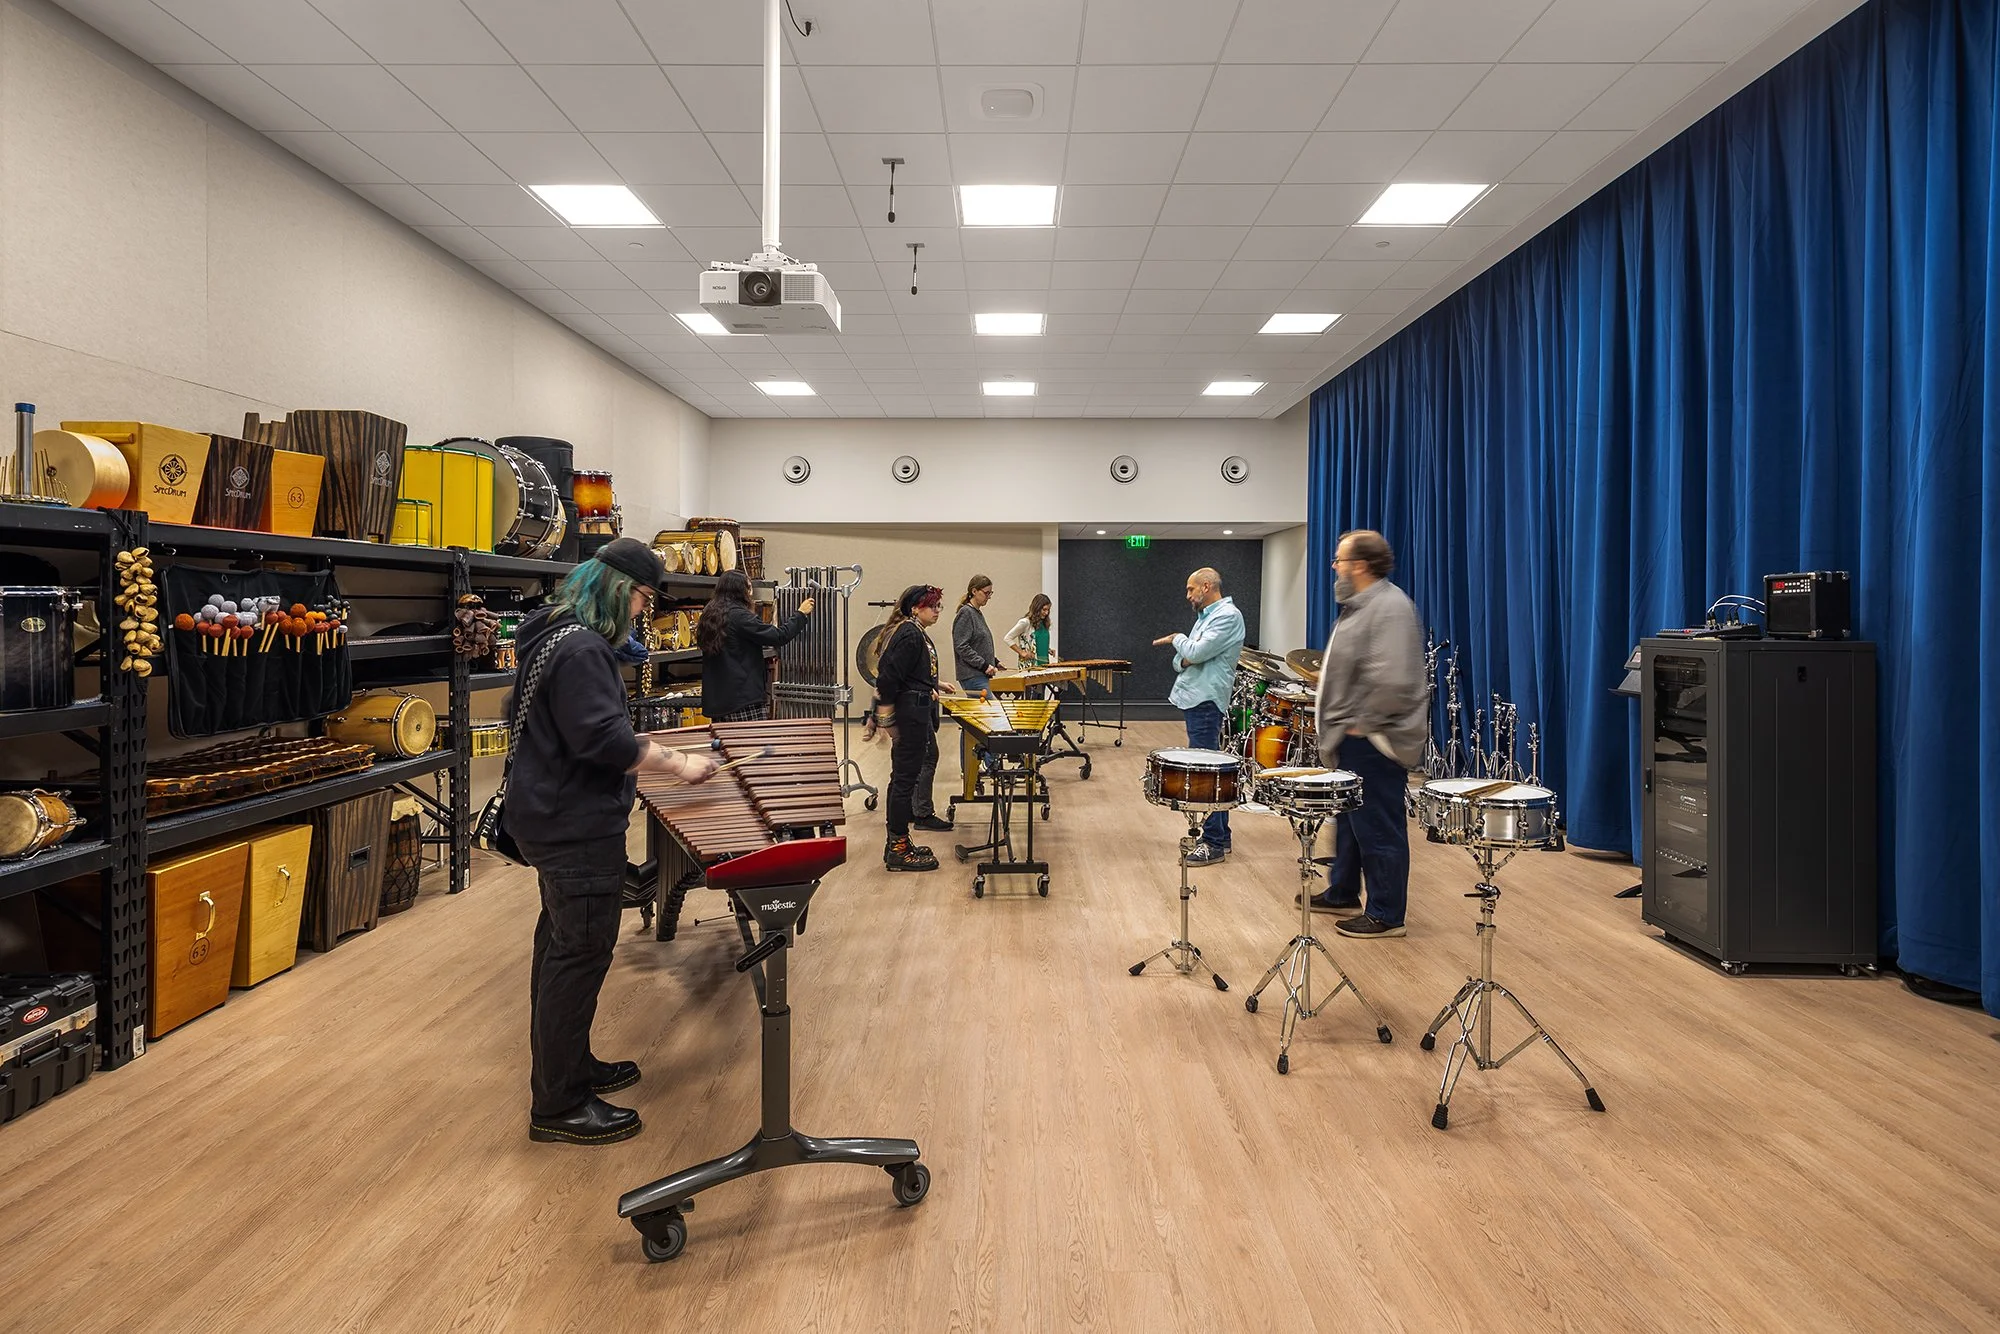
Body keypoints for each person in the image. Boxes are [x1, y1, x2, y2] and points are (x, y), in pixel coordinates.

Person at [506, 537, 719, 1145]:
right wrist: (677, 764)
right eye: (643, 601)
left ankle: (569, 1068)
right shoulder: (581, 650)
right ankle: (559, 1105)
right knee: (580, 952)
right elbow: (601, 739)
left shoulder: (550, 632)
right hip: (573, 823)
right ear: (623, 589)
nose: (641, 615)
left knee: (560, 945)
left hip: (550, 814)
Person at [1307, 530, 1427, 939]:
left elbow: (1392, 678)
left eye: (1339, 560)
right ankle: (1342, 889)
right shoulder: (1361, 605)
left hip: (1374, 740)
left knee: (1378, 825)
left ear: (1360, 565)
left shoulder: (1390, 607)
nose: (1335, 567)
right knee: (1351, 819)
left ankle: (1386, 914)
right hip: (1354, 734)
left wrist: (1364, 723)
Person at [1152, 568, 1245, 865]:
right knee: (1209, 767)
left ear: (1207, 587)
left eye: (1191, 589)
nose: (1188, 595)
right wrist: (1186, 653)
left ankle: (1213, 842)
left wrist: (1179, 639)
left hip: (1206, 700)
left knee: (1208, 773)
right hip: (1195, 698)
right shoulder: (1206, 617)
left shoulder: (1227, 616)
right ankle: (1222, 835)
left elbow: (1196, 652)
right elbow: (1183, 661)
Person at [875, 584, 948, 870]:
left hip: (916, 711)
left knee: (904, 778)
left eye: (939, 606)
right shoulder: (908, 632)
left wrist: (933, 684)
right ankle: (898, 849)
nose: (938, 611)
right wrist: (885, 717)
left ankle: (898, 841)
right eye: (933, 606)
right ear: (916, 608)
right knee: (905, 780)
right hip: (909, 715)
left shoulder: (915, 632)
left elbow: (912, 672)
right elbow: (888, 677)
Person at [696, 569, 814, 721]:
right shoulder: (740, 616)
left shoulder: (709, 613)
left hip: (719, 702)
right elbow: (778, 636)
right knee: (752, 744)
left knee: (726, 744)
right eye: (749, 587)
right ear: (740, 590)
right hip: (742, 700)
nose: (750, 592)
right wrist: (800, 614)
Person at [952, 575, 1002, 695]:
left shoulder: (976, 613)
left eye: (991, 593)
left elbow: (978, 643)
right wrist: (984, 665)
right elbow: (961, 646)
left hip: (979, 673)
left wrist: (994, 661)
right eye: (986, 593)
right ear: (974, 591)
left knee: (988, 711)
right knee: (992, 712)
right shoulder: (966, 613)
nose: (989, 597)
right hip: (972, 674)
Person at [1004, 594, 1052, 667]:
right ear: (1037, 608)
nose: (1046, 613)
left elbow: (1037, 642)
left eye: (1048, 610)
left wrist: (1047, 649)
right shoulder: (1025, 622)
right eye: (1044, 609)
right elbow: (1007, 638)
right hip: (1030, 666)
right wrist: (1022, 652)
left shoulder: (1043, 624)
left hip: (1044, 665)